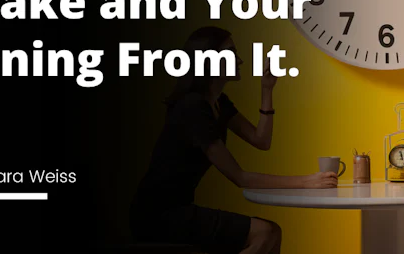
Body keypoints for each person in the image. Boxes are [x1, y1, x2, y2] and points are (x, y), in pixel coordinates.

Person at [129, 27, 338, 254]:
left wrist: (266, 90)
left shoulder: (219, 103)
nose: (239, 60)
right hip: (159, 215)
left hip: (178, 209)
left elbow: (261, 140)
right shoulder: (193, 107)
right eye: (230, 53)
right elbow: (240, 177)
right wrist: (306, 182)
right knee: (267, 232)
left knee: (270, 232)